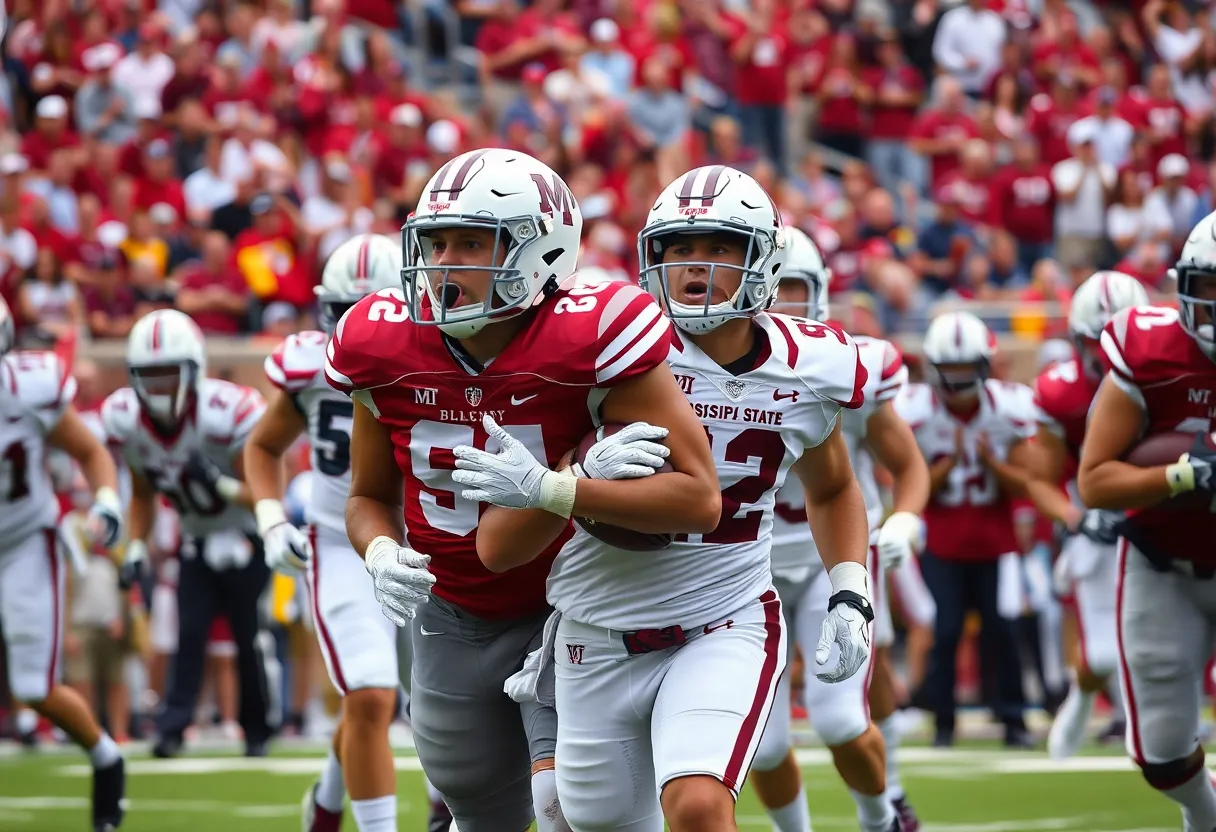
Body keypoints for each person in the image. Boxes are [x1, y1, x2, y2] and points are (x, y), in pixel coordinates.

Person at [459, 165, 875, 832]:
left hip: (723, 621)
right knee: (589, 820)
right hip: (594, 629)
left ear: (763, 259)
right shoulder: (605, 346)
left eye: (718, 247)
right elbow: (506, 536)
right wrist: (571, 475)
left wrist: (850, 590)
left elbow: (833, 488)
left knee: (699, 805)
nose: (695, 266)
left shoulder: (807, 364)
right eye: (678, 248)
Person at [323, 148, 719, 832]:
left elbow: (696, 495)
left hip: (575, 605)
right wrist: (380, 553)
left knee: (567, 805)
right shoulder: (378, 343)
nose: (444, 262)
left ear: (544, 246)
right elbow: (367, 498)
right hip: (451, 617)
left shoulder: (589, 333)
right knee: (480, 814)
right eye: (436, 241)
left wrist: (567, 487)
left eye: (471, 242)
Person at [244, 233, 451, 832]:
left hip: (428, 547)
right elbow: (263, 445)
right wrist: (270, 517)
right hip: (342, 543)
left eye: (377, 307)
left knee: (439, 702)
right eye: (346, 313)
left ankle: (331, 806)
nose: (363, 327)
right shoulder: (310, 367)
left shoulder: (442, 353)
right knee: (369, 694)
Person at [749, 227, 929, 832]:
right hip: (750, 567)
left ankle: (881, 818)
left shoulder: (847, 367)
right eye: (772, 289)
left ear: (821, 293)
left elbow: (906, 465)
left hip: (836, 561)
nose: (782, 304)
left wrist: (904, 517)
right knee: (764, 746)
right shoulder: (707, 367)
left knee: (840, 721)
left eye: (793, 289)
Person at [1078, 209, 1216, 832]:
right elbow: (1095, 480)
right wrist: (1184, 476)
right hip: (1165, 559)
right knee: (1161, 756)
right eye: (1210, 286)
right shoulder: (1150, 349)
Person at [107, 309, 276, 759]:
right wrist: (136, 545)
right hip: (195, 538)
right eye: (150, 375)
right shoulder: (128, 420)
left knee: (246, 638)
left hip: (244, 537)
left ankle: (257, 729)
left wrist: (219, 484)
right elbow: (142, 493)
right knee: (189, 635)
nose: (160, 387)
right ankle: (172, 727)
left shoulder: (227, 413)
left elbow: (265, 491)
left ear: (194, 371)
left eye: (169, 374)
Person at [0, 295, 127, 832]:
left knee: (34, 686)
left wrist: (105, 498)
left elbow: (91, 450)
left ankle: (106, 758)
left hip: (25, 542)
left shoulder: (27, 390)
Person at [894, 311, 1036, 748]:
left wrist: (993, 463)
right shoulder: (912, 409)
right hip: (941, 540)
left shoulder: (1011, 407)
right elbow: (905, 483)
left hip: (995, 541)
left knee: (1003, 628)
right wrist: (948, 465)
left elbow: (1028, 482)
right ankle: (943, 721)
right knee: (946, 629)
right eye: (949, 368)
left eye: (965, 368)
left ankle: (1012, 718)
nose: (957, 379)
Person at [1028, 271, 1147, 759]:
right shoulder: (1061, 392)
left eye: (1116, 341)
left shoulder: (1169, 374)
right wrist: (1075, 518)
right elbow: (1040, 479)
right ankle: (1082, 697)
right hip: (1097, 517)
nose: (1104, 354)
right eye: (1094, 342)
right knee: (1101, 653)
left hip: (1160, 509)